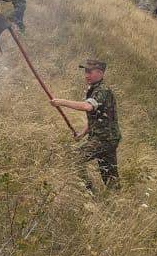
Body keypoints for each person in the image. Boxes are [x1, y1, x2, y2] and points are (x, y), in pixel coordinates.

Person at [51, 59, 121, 188]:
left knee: (73, 159)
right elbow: (99, 118)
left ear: (100, 73)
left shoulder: (102, 91)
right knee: (110, 178)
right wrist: (83, 134)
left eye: (89, 72)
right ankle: (116, 201)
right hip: (108, 137)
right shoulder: (95, 89)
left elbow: (87, 107)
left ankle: (88, 191)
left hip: (104, 139)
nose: (86, 75)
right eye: (85, 72)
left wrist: (61, 102)